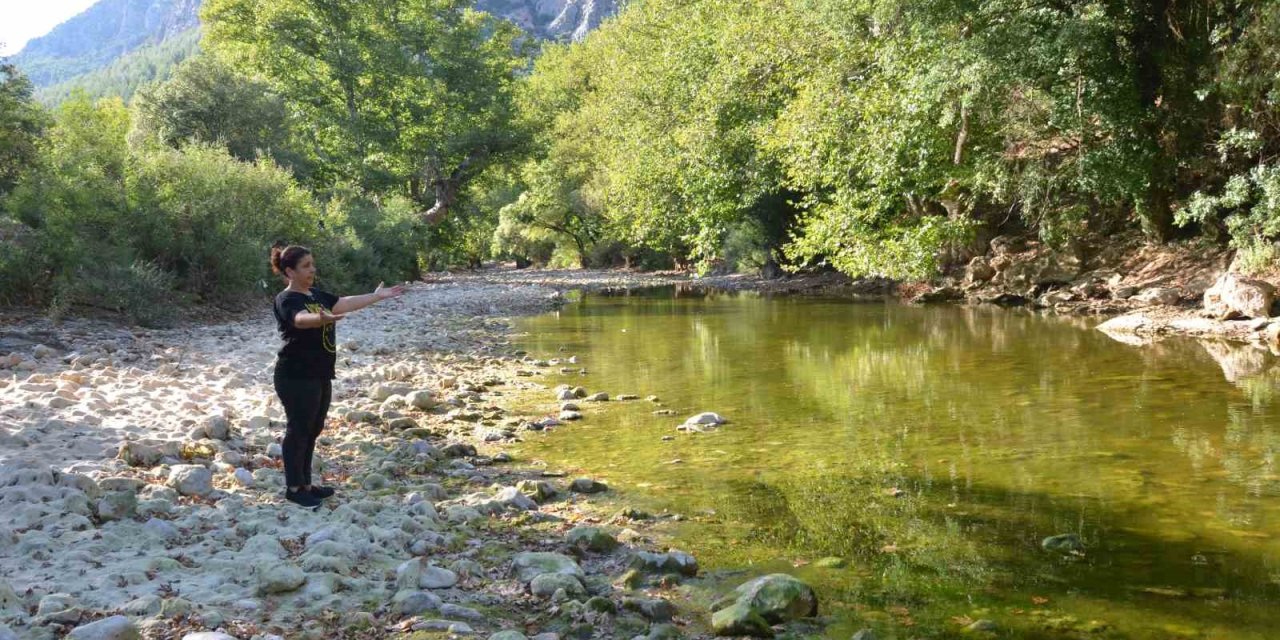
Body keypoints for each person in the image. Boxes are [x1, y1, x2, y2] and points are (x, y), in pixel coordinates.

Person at [269, 243, 405, 508]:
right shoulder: (287, 299)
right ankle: (294, 488)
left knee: (313, 428)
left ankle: (306, 484)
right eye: (306, 266)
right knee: (298, 429)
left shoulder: (316, 294)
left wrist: (376, 296)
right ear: (290, 271)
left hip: (320, 372)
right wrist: (319, 319)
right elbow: (299, 319)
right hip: (295, 375)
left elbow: (344, 303)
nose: (312, 270)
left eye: (312, 264)